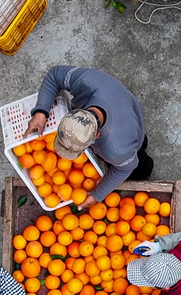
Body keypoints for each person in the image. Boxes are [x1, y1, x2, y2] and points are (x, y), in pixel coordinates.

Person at [25, 66, 151, 208]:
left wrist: (98, 194)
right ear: (72, 114)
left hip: (129, 127)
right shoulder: (86, 81)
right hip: (126, 108)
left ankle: (145, 162)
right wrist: (41, 111)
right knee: (135, 140)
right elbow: (54, 75)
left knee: (140, 165)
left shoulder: (116, 149)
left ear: (97, 135)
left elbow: (125, 168)